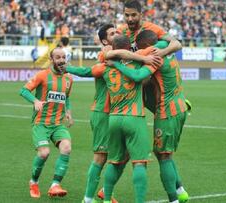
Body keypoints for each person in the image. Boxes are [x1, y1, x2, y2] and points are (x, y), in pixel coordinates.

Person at [65, 24, 160, 203]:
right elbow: (88, 70)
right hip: (104, 111)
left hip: (115, 114)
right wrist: (66, 68)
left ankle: (105, 193)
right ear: (104, 41)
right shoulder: (105, 55)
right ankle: (87, 199)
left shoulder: (115, 60)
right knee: (102, 157)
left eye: (117, 31)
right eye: (111, 33)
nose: (117, 33)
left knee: (121, 157)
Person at [110, 30, 189, 203]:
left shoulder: (153, 53)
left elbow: (138, 77)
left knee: (164, 155)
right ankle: (180, 189)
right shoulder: (164, 46)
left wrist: (116, 62)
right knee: (163, 153)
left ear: (145, 45)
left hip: (167, 111)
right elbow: (173, 40)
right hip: (180, 105)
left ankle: (174, 199)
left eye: (138, 47)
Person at [101, 35, 161, 203]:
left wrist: (68, 68)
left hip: (114, 119)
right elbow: (137, 76)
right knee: (139, 163)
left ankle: (106, 200)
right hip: (134, 118)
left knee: (113, 162)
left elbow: (85, 71)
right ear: (130, 48)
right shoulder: (139, 62)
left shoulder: (106, 66)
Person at [19, 47, 74, 199]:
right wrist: (35, 100)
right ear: (52, 60)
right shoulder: (43, 75)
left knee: (67, 148)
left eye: (64, 57)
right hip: (41, 122)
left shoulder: (69, 79)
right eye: (58, 57)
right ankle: (33, 182)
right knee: (44, 153)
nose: (61, 60)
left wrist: (68, 112)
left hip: (57, 123)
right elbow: (23, 91)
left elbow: (66, 97)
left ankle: (55, 185)